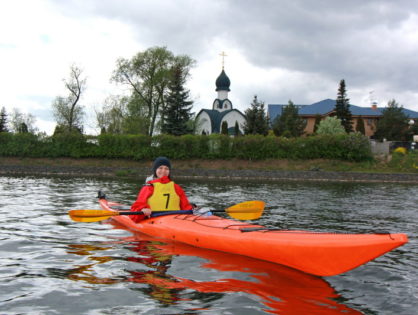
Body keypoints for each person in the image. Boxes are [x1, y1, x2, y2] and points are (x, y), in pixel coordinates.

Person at [130, 157, 194, 222]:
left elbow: (187, 208)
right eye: (160, 168)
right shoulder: (148, 187)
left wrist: (192, 210)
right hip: (154, 220)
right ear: (155, 170)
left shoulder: (176, 187)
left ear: (169, 171)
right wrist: (142, 210)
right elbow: (135, 212)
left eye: (166, 168)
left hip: (175, 220)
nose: (163, 171)